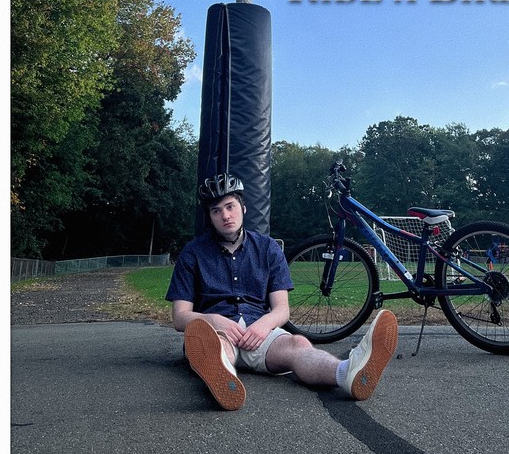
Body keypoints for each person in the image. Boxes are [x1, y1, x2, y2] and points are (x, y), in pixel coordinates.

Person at [166, 172, 399, 410]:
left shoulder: (267, 248)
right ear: (210, 217)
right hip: (216, 332)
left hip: (258, 330)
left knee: (298, 344)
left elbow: (281, 309)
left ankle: (347, 372)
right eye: (216, 211)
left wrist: (264, 325)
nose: (225, 215)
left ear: (243, 208)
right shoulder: (193, 253)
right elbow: (180, 317)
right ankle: (222, 376)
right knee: (215, 348)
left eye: (230, 206)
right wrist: (214, 320)